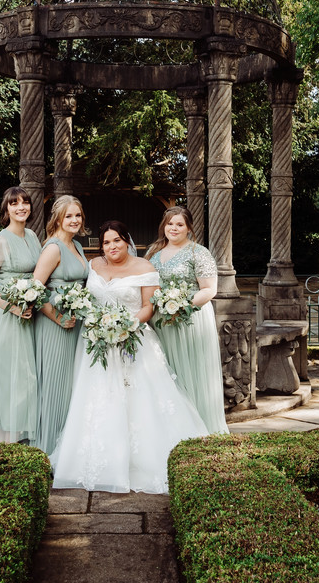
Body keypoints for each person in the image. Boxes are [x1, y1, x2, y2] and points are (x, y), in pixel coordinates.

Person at [50, 220, 209, 493]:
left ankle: (144, 461)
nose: (111, 247)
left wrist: (126, 325)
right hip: (96, 342)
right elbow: (89, 301)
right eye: (106, 242)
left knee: (140, 399)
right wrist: (99, 323)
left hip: (134, 340)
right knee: (97, 400)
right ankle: (99, 459)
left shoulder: (145, 268)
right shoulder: (94, 266)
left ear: (127, 241)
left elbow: (149, 306)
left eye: (116, 240)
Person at [145, 206, 229, 434]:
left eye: (179, 224)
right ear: (164, 225)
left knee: (191, 372)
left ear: (189, 228)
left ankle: (200, 428)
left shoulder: (198, 253)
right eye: (170, 223)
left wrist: (182, 306)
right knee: (166, 371)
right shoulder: (154, 251)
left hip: (189, 321)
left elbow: (209, 290)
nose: (174, 228)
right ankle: (172, 430)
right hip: (161, 322)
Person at [0, 186, 42, 444]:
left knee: (27, 374)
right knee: (10, 374)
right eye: (14, 204)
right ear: (7, 209)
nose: (21, 207)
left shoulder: (33, 236)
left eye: (25, 202)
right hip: (7, 315)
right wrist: (13, 307)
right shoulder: (0, 240)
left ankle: (24, 433)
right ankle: (7, 440)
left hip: (29, 313)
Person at [31, 194, 89, 455]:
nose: (74, 220)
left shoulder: (77, 246)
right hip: (55, 326)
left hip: (75, 324)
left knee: (72, 385)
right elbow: (34, 291)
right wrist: (58, 317)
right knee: (55, 385)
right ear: (57, 218)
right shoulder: (53, 248)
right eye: (69, 216)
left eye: (78, 215)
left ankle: (69, 447)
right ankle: (48, 449)